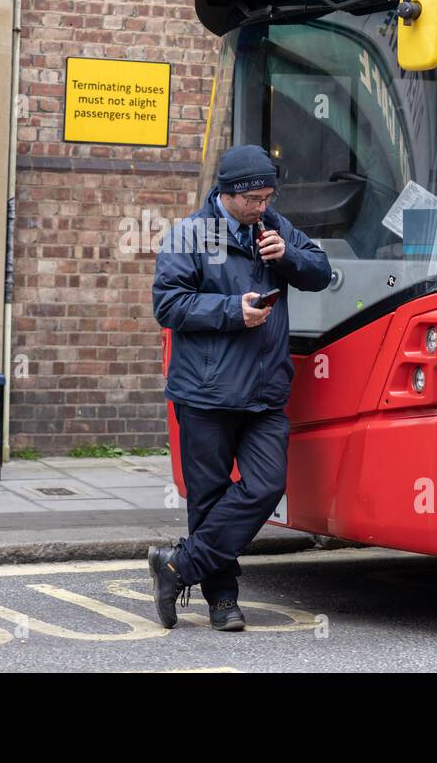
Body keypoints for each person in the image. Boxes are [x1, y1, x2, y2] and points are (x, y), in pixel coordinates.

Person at [150, 144, 332, 631]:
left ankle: (177, 567)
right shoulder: (189, 235)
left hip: (266, 390)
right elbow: (169, 306)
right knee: (208, 498)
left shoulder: (275, 226)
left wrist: (289, 255)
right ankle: (223, 601)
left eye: (268, 197)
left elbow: (322, 273)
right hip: (206, 392)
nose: (262, 208)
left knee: (267, 485)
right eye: (254, 199)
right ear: (229, 194)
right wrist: (233, 311)